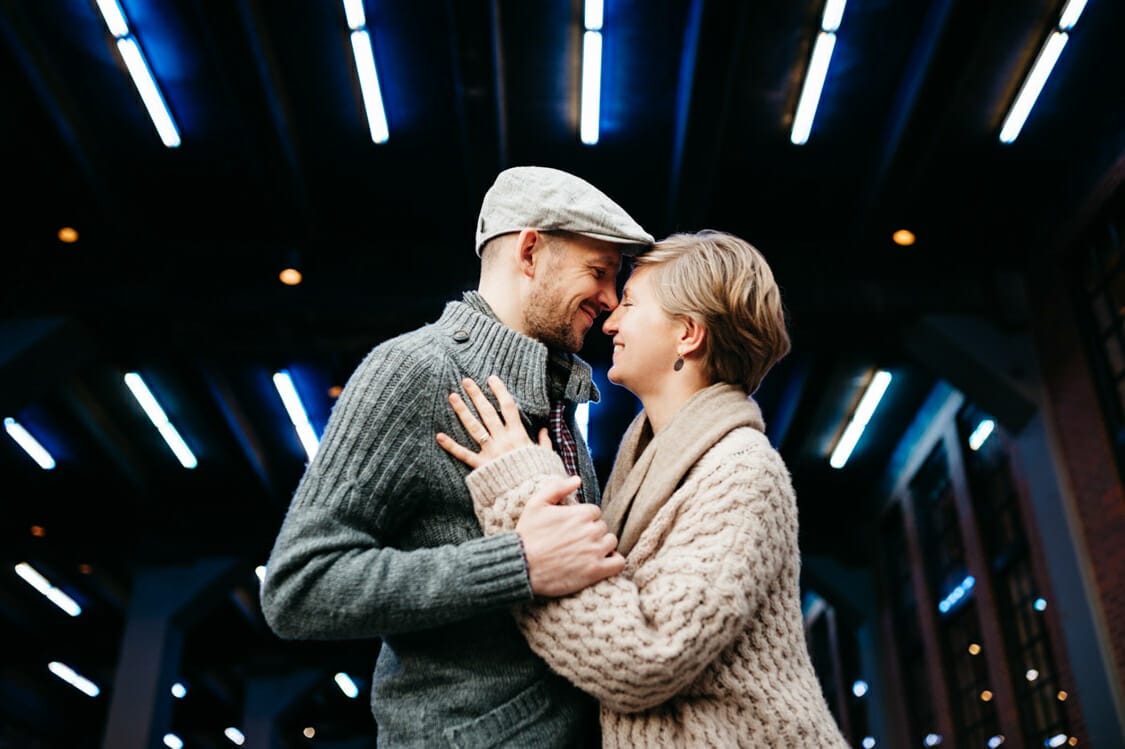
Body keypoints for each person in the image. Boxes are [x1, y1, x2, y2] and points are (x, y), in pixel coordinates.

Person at [259, 165, 654, 748]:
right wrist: (516, 564)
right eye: (599, 272)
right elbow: (298, 588)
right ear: (529, 252)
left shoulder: (555, 399)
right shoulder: (412, 371)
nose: (610, 298)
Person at [436, 230, 850, 747]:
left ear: (688, 334)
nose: (610, 320)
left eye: (630, 303)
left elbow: (646, 658)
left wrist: (521, 494)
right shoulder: (651, 465)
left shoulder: (743, 472)